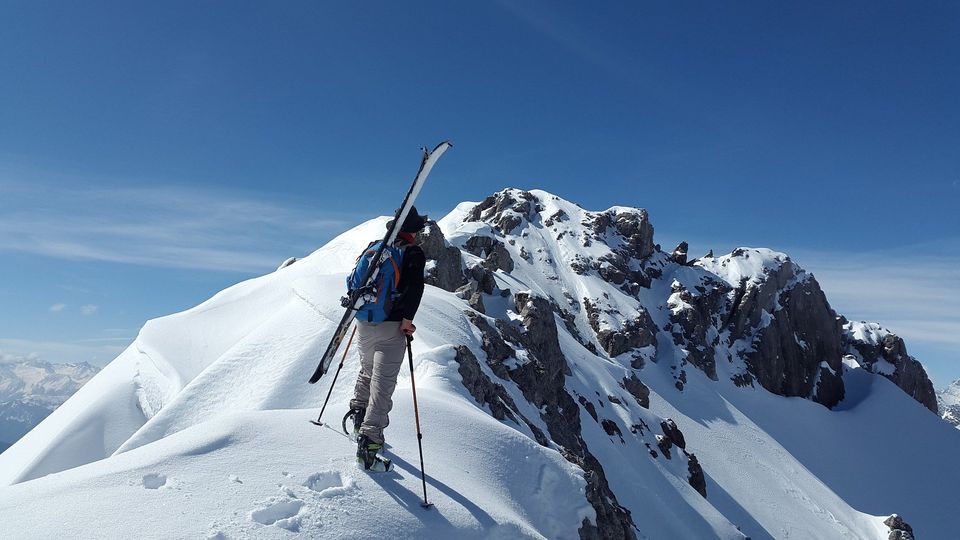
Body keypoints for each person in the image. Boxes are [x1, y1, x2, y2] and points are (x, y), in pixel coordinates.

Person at [347, 207, 427, 471]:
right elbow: (414, 287)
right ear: (413, 230)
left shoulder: (378, 248)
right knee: (383, 386)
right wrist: (407, 320)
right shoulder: (412, 252)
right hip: (390, 326)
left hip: (364, 320)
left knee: (367, 371)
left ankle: (358, 414)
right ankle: (369, 444)